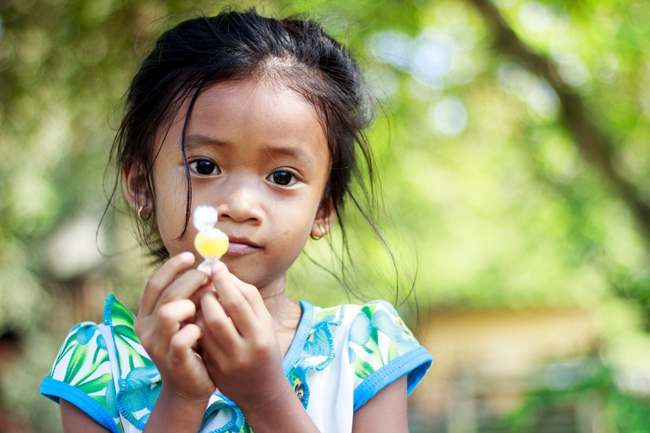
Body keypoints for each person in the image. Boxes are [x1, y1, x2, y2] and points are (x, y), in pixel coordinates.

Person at [39, 9, 432, 433]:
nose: (241, 205)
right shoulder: (97, 364)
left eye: (282, 177)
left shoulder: (365, 349)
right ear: (141, 185)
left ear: (323, 209)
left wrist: (265, 396)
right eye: (204, 166)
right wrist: (181, 397)